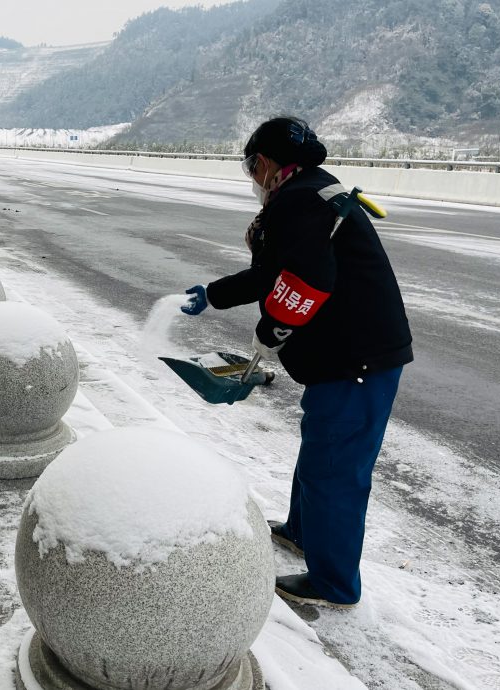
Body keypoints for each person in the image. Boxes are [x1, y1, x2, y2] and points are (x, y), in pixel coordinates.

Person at [181, 116, 413, 608]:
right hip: (349, 351)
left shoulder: (300, 200)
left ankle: (333, 583)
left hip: (358, 358)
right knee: (321, 450)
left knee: (336, 470)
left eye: (251, 167)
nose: (252, 177)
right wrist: (214, 295)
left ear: (264, 163)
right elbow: (271, 272)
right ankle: (303, 532)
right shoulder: (312, 190)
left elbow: (308, 280)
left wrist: (272, 330)